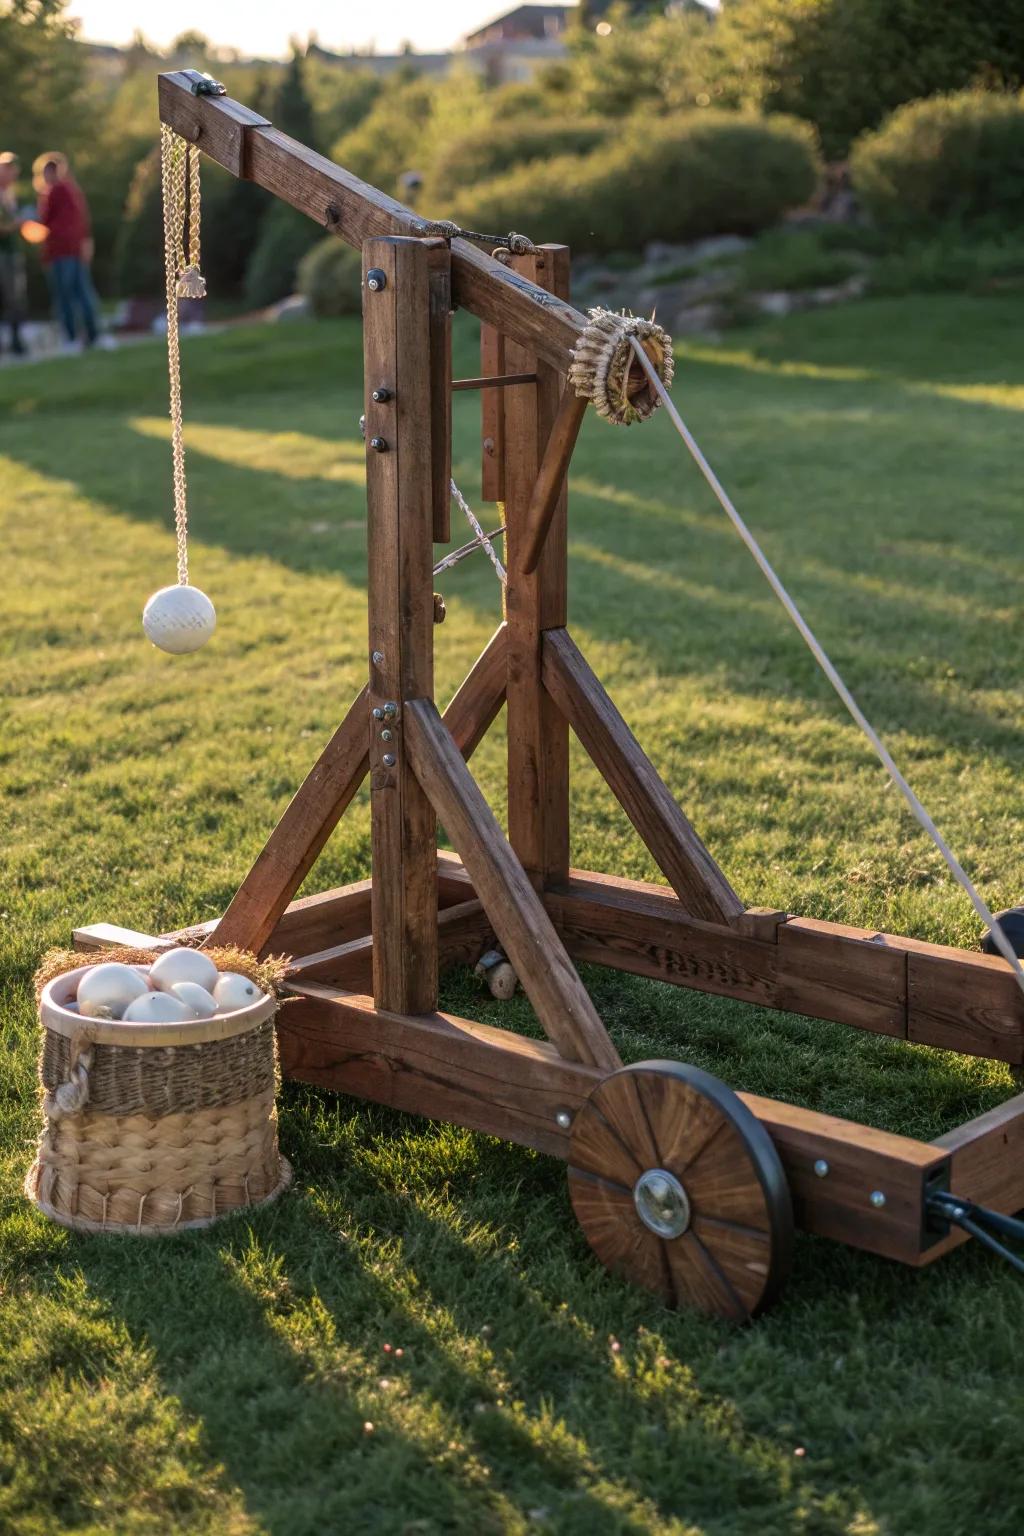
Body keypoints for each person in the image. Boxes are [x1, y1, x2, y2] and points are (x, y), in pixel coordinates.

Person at [33, 152, 101, 351]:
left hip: (61, 252)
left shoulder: (54, 192)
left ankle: (71, 338)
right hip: (75, 249)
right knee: (83, 293)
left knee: (65, 297)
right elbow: (82, 220)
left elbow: (44, 222)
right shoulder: (72, 190)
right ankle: (92, 336)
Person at [0, 152, 27, 357]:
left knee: (15, 298)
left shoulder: (10, 194)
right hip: (3, 253)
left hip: (12, 252)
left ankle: (16, 342)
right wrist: (14, 225)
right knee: (9, 297)